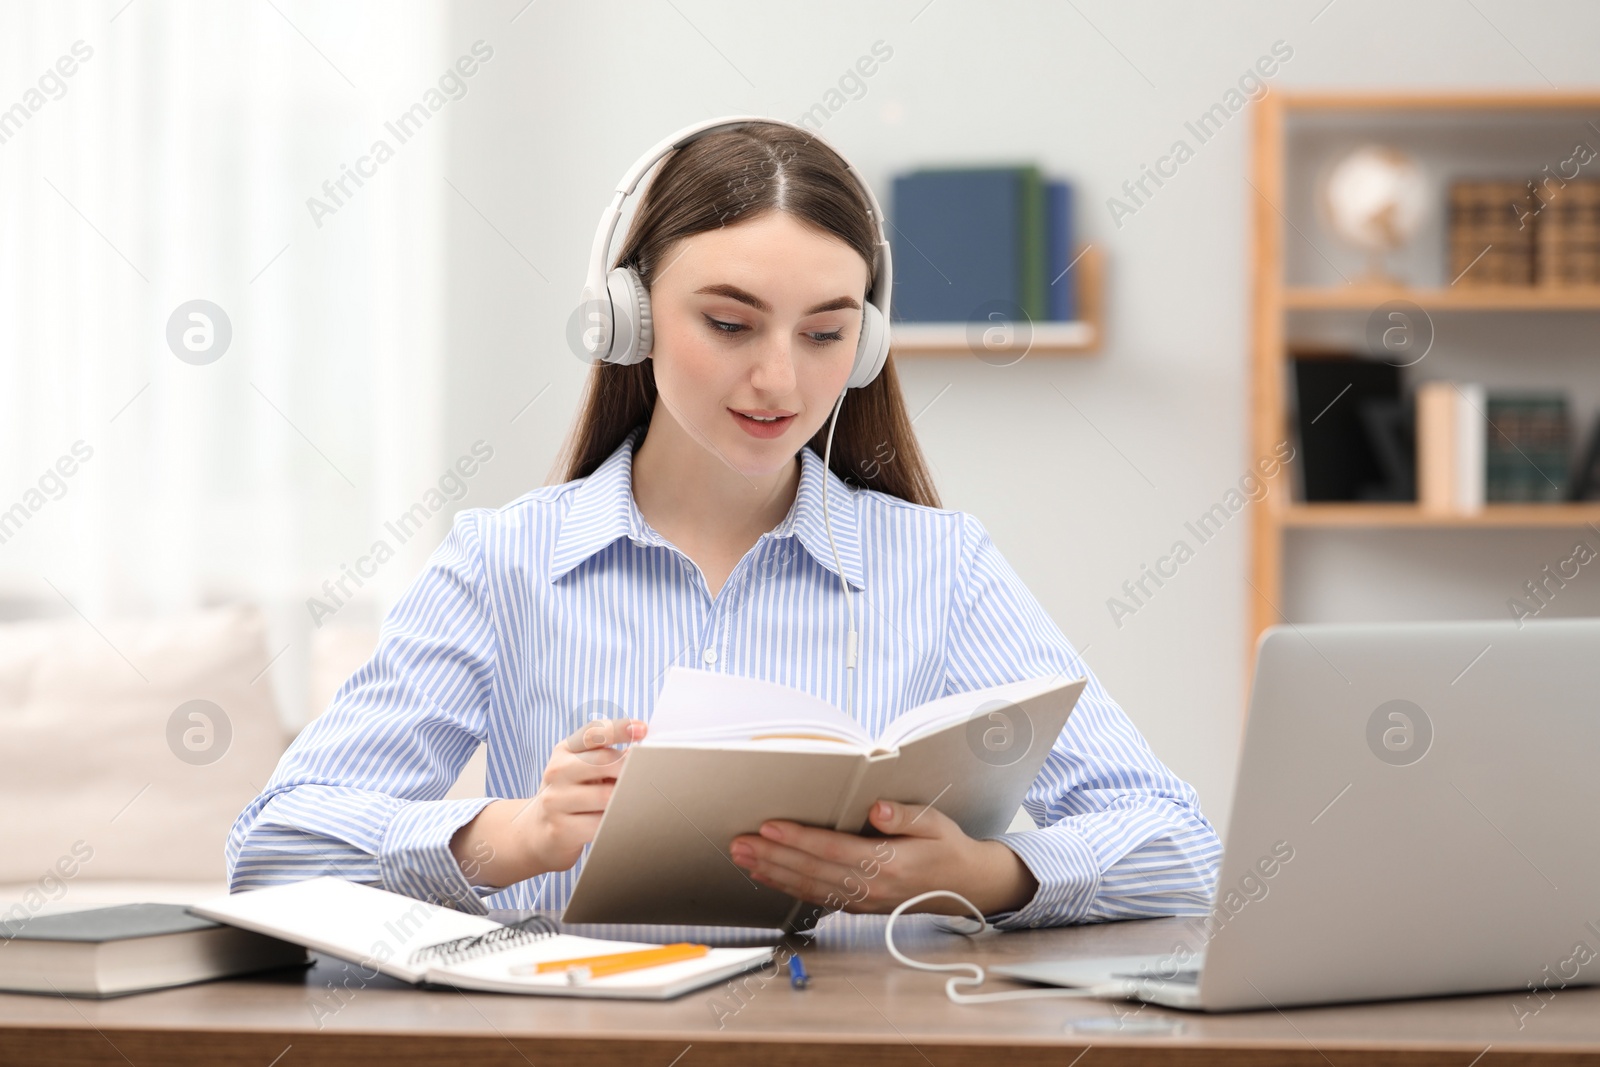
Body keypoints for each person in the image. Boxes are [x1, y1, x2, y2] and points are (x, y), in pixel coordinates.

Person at [226, 119, 1221, 929]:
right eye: (730, 322)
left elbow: (1181, 846)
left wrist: (989, 872)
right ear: (629, 314)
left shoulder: (942, 566)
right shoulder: (502, 562)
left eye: (826, 333)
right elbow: (273, 851)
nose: (781, 381)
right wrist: (514, 834)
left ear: (866, 343)